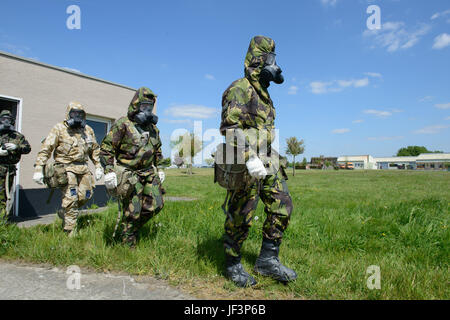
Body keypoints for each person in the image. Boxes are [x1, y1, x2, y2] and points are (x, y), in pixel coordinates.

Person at [217, 36, 297, 287]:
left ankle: (267, 260)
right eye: (270, 59)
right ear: (258, 61)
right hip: (246, 162)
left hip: (268, 158)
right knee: (242, 213)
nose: (275, 65)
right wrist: (249, 157)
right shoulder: (239, 88)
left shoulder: (265, 96)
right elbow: (231, 128)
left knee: (282, 205)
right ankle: (232, 263)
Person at [99, 87, 165, 248]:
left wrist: (161, 167)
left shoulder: (153, 129)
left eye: (150, 107)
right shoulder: (123, 124)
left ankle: (131, 228)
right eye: (144, 107)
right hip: (130, 175)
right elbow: (106, 148)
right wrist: (108, 170)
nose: (147, 111)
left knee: (156, 204)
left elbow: (158, 150)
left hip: (148, 173)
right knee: (133, 211)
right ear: (135, 106)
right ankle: (128, 242)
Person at [33, 102, 103, 236]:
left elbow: (95, 149)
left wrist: (98, 166)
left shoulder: (88, 130)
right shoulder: (59, 128)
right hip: (65, 168)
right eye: (74, 113)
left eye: (80, 114)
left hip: (83, 168)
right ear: (68, 114)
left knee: (86, 195)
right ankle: (70, 231)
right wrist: (38, 168)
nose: (77, 116)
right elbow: (46, 149)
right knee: (71, 198)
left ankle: (64, 212)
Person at [0, 110, 31, 221]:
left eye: (8, 119)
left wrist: (16, 147)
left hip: (8, 171)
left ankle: (2, 221)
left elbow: (28, 148)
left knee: (3, 196)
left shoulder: (18, 136)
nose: (6, 121)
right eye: (3, 119)